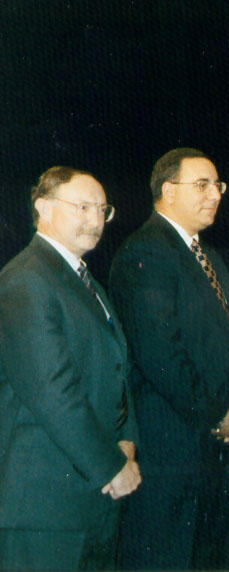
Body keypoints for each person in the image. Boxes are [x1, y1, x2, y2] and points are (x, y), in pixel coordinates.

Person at [109, 148, 229, 570]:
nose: (215, 194)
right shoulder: (147, 251)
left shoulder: (207, 255)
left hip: (210, 451)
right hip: (170, 451)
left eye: (218, 185)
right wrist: (216, 416)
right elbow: (160, 355)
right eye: (202, 185)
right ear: (167, 191)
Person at [0, 166, 140, 570]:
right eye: (82, 207)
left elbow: (117, 371)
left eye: (102, 209)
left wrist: (127, 441)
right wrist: (111, 465)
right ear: (43, 207)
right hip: (44, 508)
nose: (95, 220)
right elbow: (53, 391)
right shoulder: (26, 280)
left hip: (88, 500)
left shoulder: (83, 281)